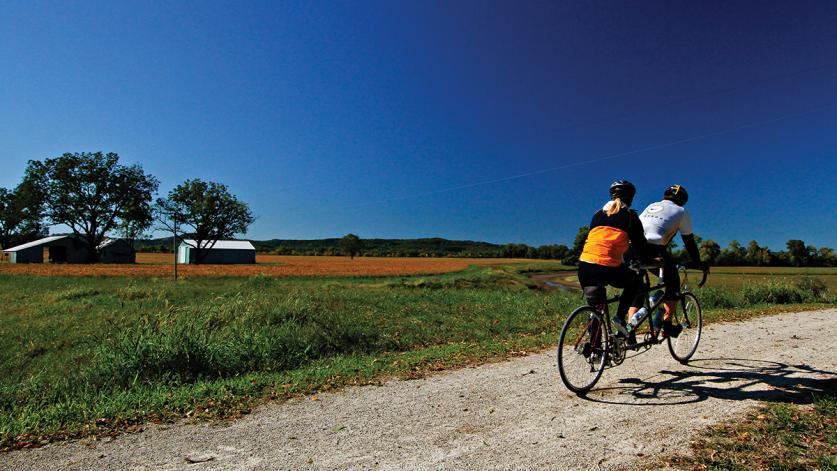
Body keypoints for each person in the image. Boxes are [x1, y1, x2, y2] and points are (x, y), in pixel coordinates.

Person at [578, 180, 649, 339]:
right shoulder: (630, 216)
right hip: (607, 266)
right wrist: (646, 259)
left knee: (597, 308)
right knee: (635, 282)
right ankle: (620, 318)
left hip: (584, 266)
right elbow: (640, 245)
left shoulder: (597, 214)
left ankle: (594, 349)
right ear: (630, 198)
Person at [638, 184, 707, 338]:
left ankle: (630, 326)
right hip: (654, 250)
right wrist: (697, 262)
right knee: (673, 282)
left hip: (632, 249)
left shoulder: (651, 206)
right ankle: (666, 326)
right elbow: (689, 241)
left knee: (637, 288)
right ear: (682, 201)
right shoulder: (682, 212)